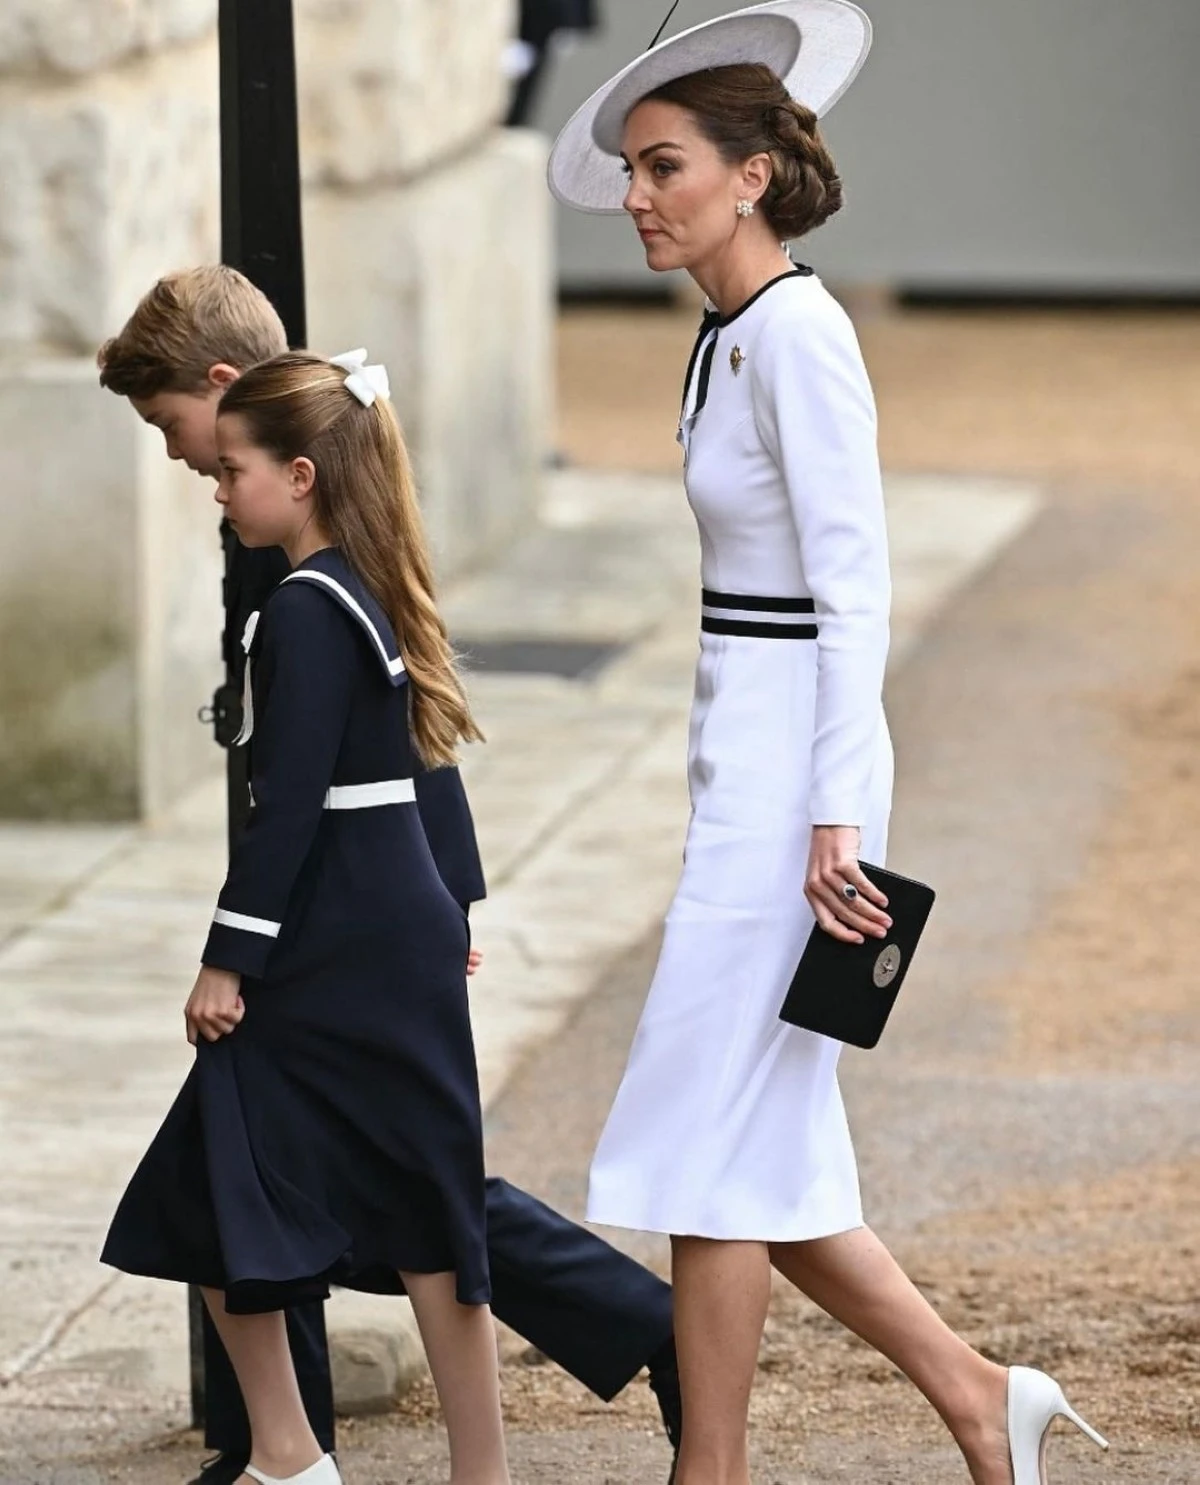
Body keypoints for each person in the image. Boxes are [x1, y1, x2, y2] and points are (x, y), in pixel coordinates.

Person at [547, 5, 1110, 1484]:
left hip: (799, 791)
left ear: (750, 176)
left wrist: (839, 814)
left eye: (665, 164)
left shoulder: (800, 333)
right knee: (755, 1147)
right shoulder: (727, 340)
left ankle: (713, 1470)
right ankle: (984, 1397)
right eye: (631, 169)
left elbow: (856, 588)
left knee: (705, 1140)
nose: (638, 194)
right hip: (747, 765)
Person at [96, 270, 681, 1485]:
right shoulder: (346, 559)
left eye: (196, 452)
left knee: (384, 1194)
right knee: (369, 1191)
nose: (197, 478)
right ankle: (296, 1454)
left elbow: (308, 792)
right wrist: (446, 891)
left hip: (341, 931)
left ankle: (301, 1457)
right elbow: (402, 749)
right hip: (375, 919)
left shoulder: (305, 590)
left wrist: (234, 953)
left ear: (259, 438)